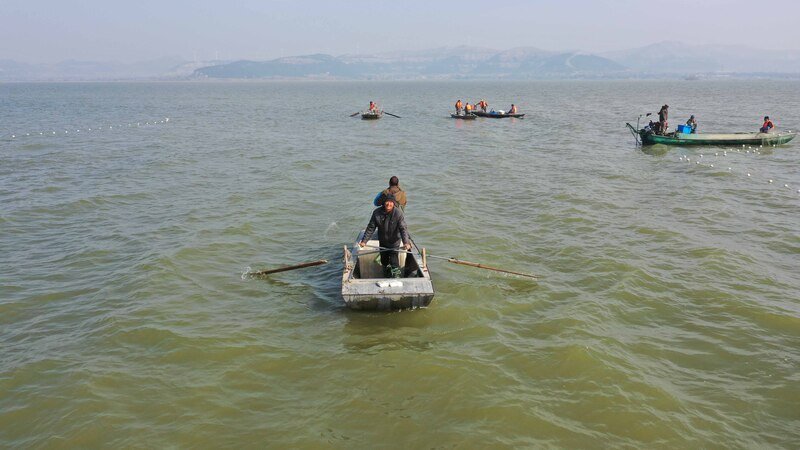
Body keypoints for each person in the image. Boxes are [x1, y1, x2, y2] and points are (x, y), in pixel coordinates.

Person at [359, 194, 412, 278]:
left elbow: (403, 229)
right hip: (383, 241)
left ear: (394, 203)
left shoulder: (398, 214)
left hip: (394, 242)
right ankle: (386, 274)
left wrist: (406, 242)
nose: (389, 204)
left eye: (391, 202)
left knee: (394, 262)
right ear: (384, 202)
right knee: (384, 261)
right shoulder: (376, 213)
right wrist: (364, 241)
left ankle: (396, 277)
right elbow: (371, 228)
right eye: (387, 202)